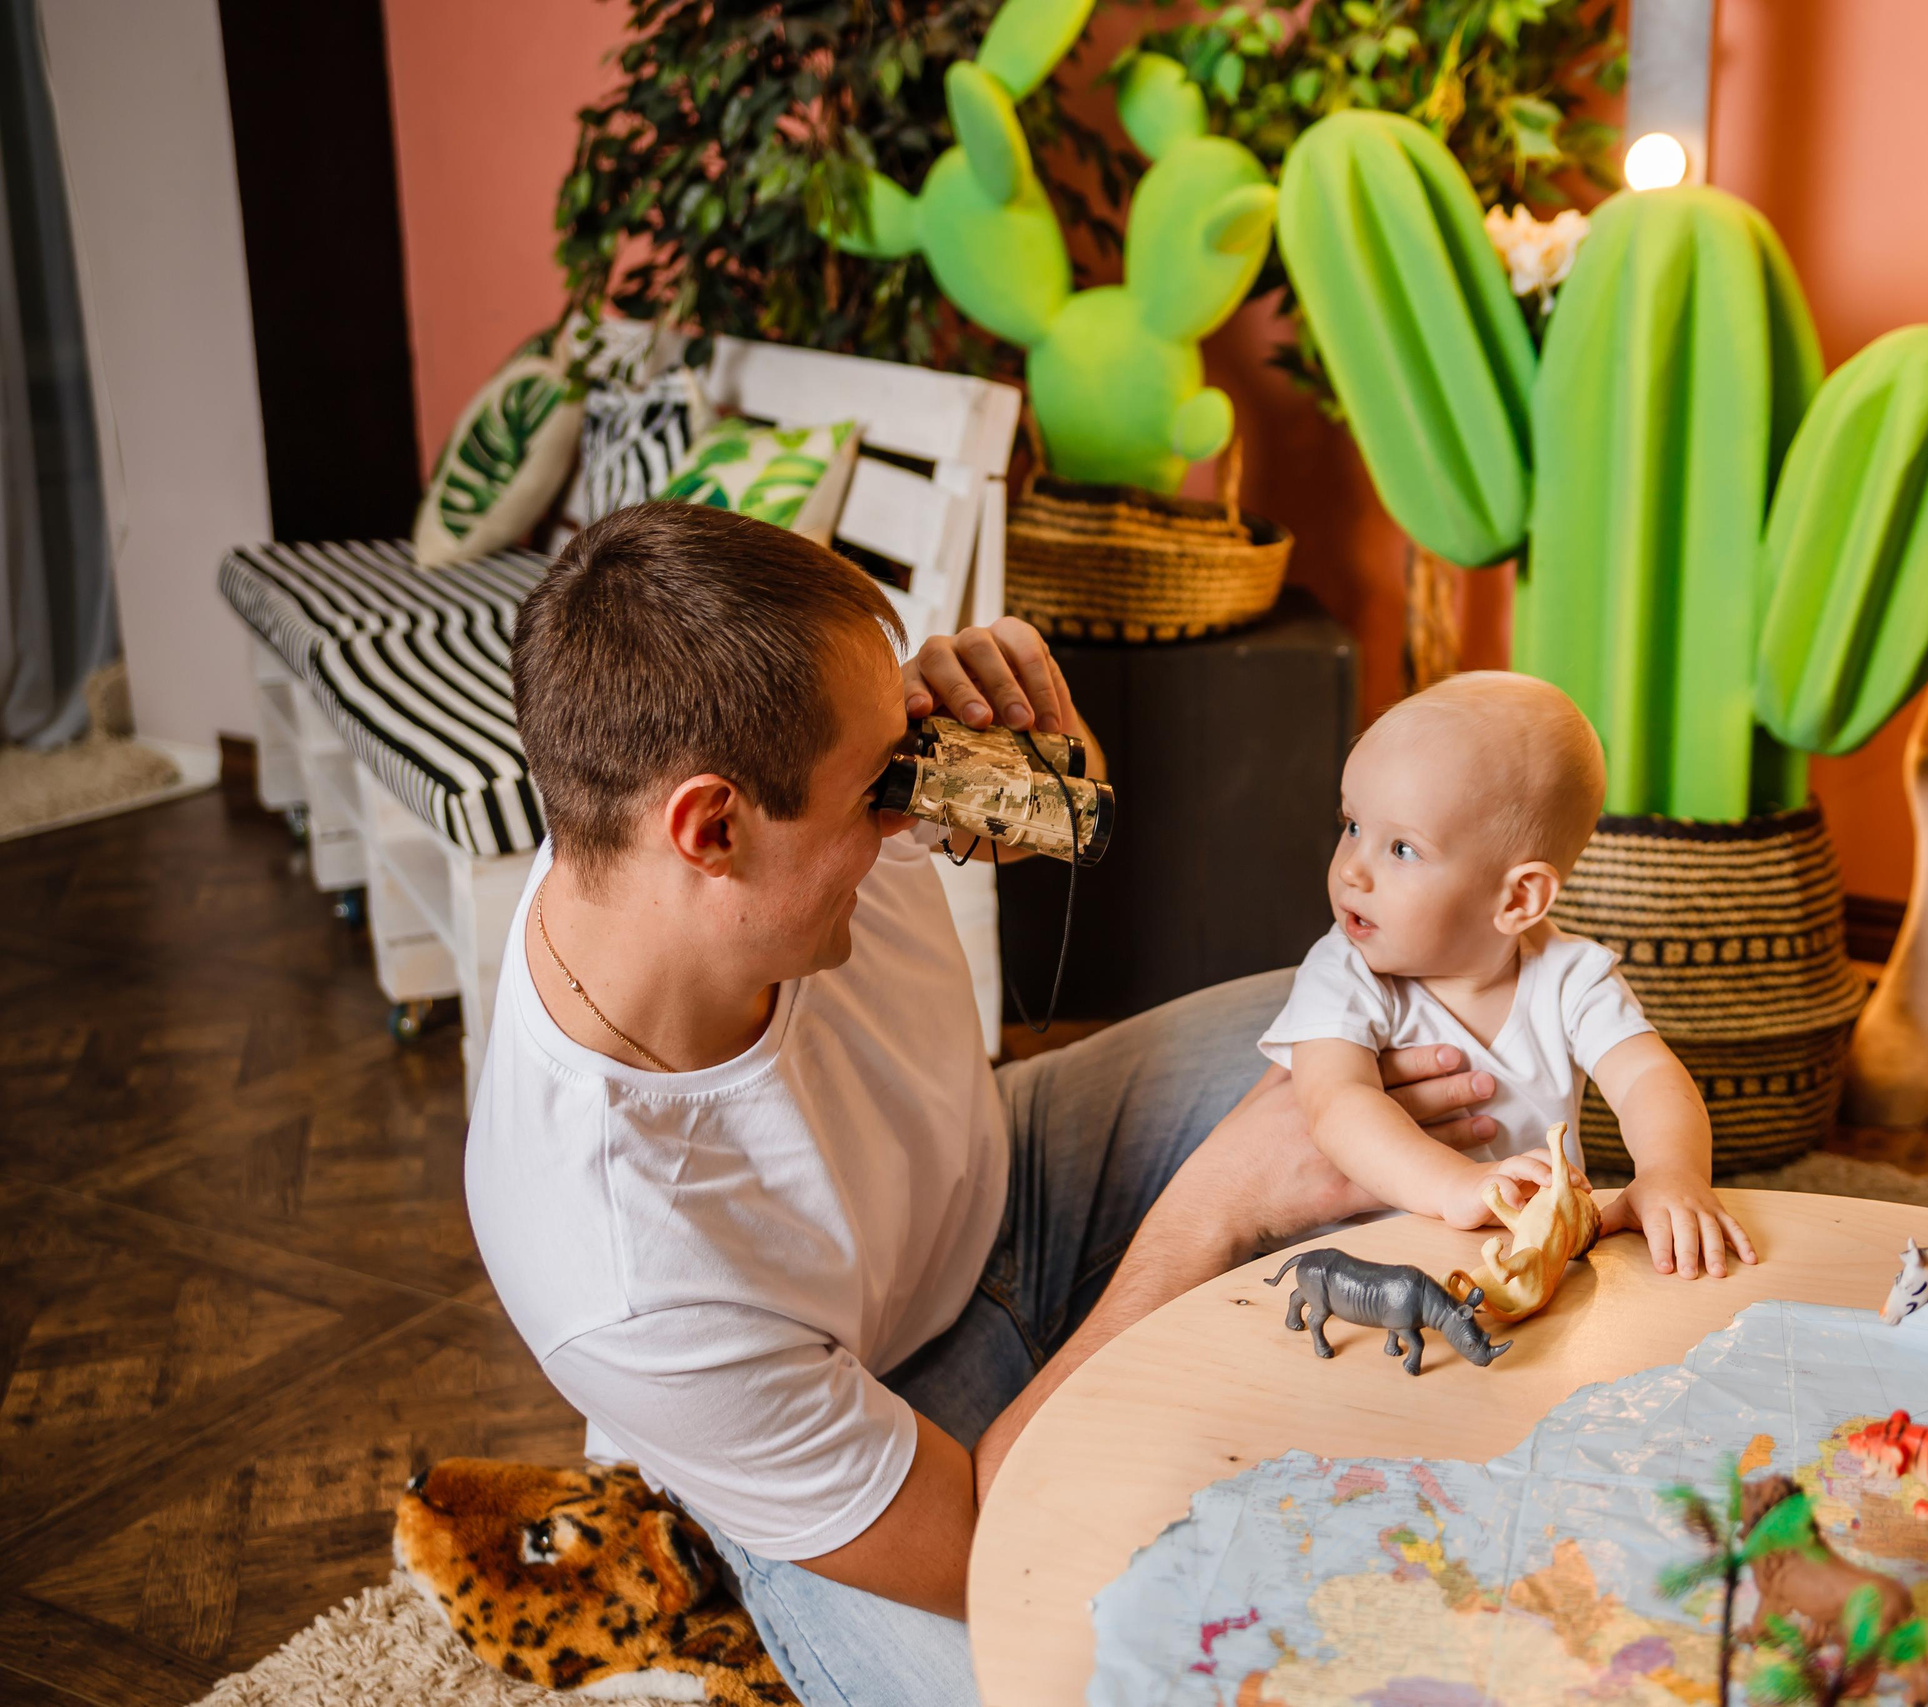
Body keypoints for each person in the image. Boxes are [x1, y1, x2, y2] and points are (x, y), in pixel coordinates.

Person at [464, 505, 1500, 1707]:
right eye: (881, 789)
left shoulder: (772, 798)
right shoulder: (615, 1270)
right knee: (1069, 1681)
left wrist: (1047, 769)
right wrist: (1209, 1210)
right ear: (711, 829)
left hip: (1017, 1179)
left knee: (1423, 1032)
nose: (910, 806)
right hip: (895, 1432)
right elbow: (974, 1534)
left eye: (908, 749)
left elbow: (1058, 819)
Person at [1259, 671, 1759, 1279]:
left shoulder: (1572, 977)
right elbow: (1337, 1102)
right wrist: (1458, 1186)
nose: (1352, 872)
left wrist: (1670, 1172)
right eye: (1353, 825)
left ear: (1519, 899)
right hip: (1375, 1267)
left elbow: (1649, 1077)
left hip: (1529, 1258)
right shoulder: (1344, 971)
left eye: (1402, 850)